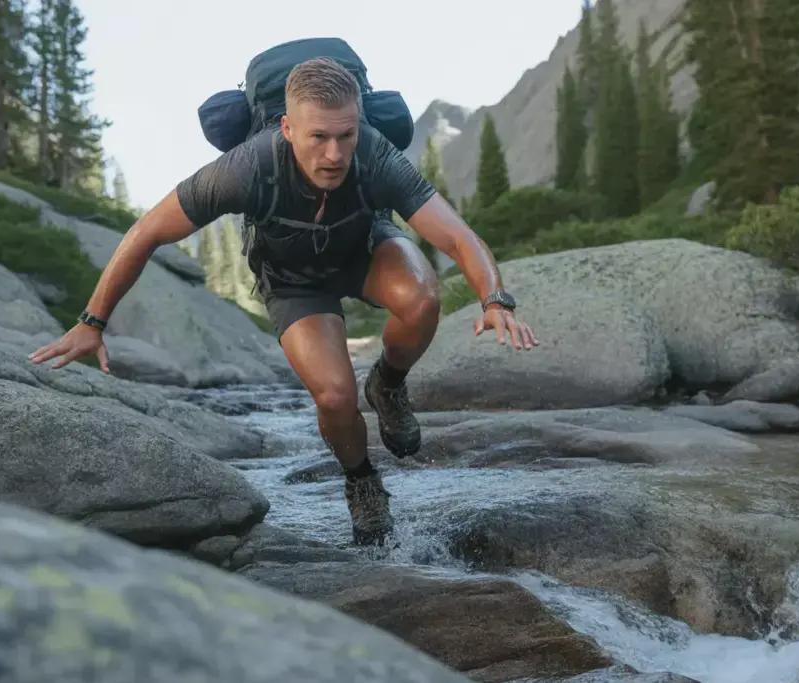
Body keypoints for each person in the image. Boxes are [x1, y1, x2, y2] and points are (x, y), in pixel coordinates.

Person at [28, 56, 538, 547]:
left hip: (364, 250)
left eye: (346, 135)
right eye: (319, 137)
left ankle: (387, 384)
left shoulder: (376, 155)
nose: (335, 155)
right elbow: (145, 233)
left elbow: (458, 238)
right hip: (292, 280)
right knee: (335, 398)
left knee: (424, 297)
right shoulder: (245, 168)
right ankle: (361, 480)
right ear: (287, 129)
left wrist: (494, 298)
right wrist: (91, 321)